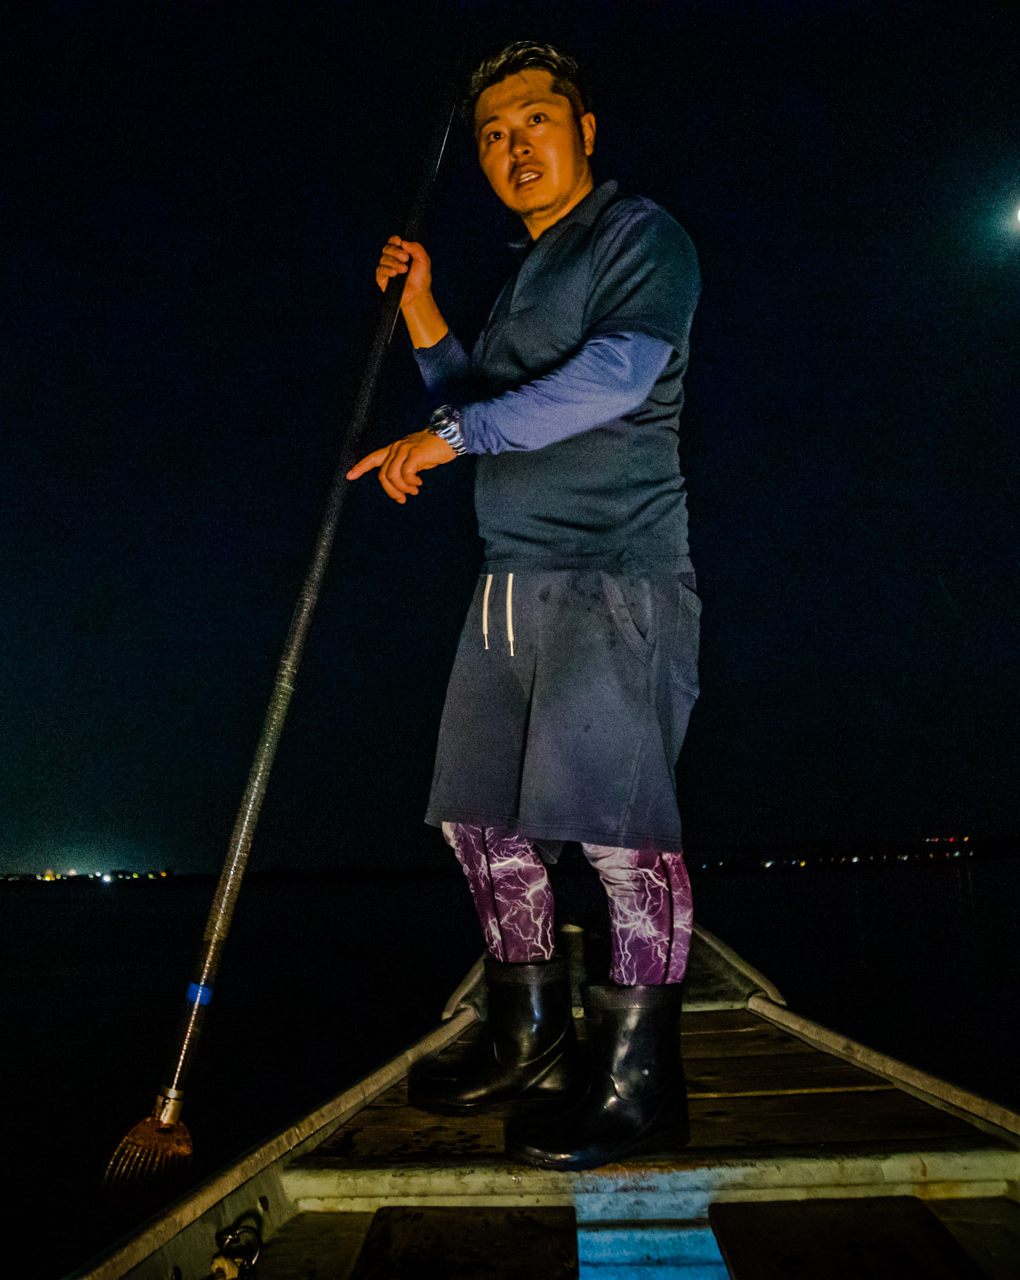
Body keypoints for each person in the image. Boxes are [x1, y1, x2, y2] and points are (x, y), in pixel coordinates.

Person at [348, 41, 703, 1171]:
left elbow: (611, 382)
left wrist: (446, 436)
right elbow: (478, 400)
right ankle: (527, 1029)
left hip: (613, 572)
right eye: (494, 133)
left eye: (535, 120)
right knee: (479, 820)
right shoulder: (525, 275)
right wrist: (423, 306)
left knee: (615, 831)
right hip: (504, 583)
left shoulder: (638, 238)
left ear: (585, 129)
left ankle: (641, 1081)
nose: (512, 146)